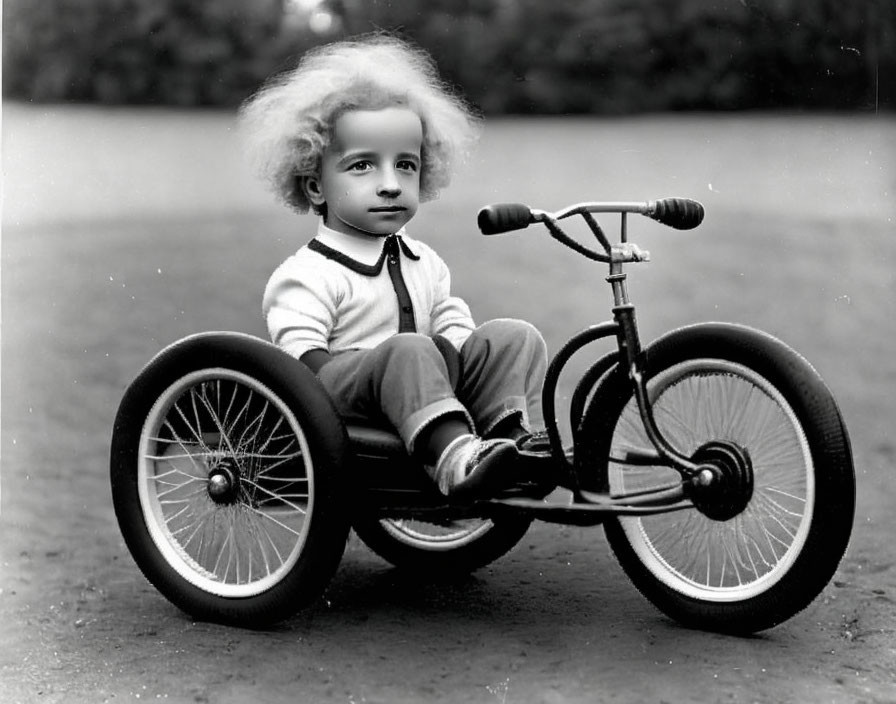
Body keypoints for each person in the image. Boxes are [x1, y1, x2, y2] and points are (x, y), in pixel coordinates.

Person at [238, 34, 547, 500]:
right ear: (316, 187)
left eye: (406, 165)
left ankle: (506, 437)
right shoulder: (306, 275)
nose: (390, 184)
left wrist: (463, 360)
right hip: (341, 402)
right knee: (408, 350)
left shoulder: (424, 261)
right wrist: (402, 364)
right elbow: (300, 363)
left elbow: (449, 319)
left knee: (514, 335)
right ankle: (452, 461)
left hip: (421, 378)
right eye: (363, 167)